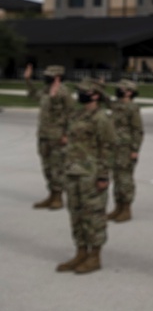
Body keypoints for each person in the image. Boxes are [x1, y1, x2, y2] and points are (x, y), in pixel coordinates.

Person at [57, 77, 115, 274]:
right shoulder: (77, 115)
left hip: (91, 175)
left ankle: (95, 256)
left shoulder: (101, 118)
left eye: (84, 91)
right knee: (76, 215)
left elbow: (107, 148)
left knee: (94, 216)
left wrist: (103, 176)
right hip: (73, 172)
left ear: (95, 95)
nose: (80, 94)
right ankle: (81, 252)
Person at [24, 63, 72, 210]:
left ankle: (58, 197)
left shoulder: (64, 92)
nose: (46, 77)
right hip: (44, 134)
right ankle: (51, 195)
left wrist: (66, 134)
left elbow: (71, 115)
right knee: (47, 167)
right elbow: (34, 95)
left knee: (57, 167)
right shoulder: (46, 90)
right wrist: (28, 80)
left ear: (57, 77)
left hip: (57, 136)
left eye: (49, 75)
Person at [107, 79, 144, 222]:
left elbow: (138, 130)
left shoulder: (132, 108)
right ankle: (118, 207)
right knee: (116, 178)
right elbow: (104, 99)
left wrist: (134, 150)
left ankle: (126, 209)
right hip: (114, 148)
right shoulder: (116, 105)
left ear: (129, 92)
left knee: (125, 179)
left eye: (122, 89)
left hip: (126, 149)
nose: (118, 90)